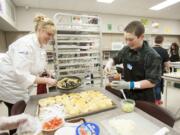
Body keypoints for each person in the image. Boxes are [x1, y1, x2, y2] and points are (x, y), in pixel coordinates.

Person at [0, 14, 57, 118]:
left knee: (23, 110)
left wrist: (47, 72)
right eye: (49, 34)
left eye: (52, 35)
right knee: (16, 114)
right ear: (40, 30)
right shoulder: (25, 45)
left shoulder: (40, 45)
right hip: (11, 86)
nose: (50, 38)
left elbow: (37, 62)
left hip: (21, 85)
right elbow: (21, 74)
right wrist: (47, 80)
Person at [104, 21, 162, 102]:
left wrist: (129, 85)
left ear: (141, 37)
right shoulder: (126, 49)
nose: (128, 43)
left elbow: (151, 82)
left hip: (143, 97)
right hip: (127, 93)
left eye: (131, 39)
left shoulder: (152, 56)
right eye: (126, 39)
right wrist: (109, 63)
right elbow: (116, 58)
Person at [153, 35, 170, 105]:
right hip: (159, 71)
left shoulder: (150, 49)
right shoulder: (164, 51)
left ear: (154, 41)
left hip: (149, 71)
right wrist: (167, 69)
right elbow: (167, 64)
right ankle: (157, 100)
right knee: (158, 86)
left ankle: (152, 100)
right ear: (162, 41)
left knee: (151, 85)